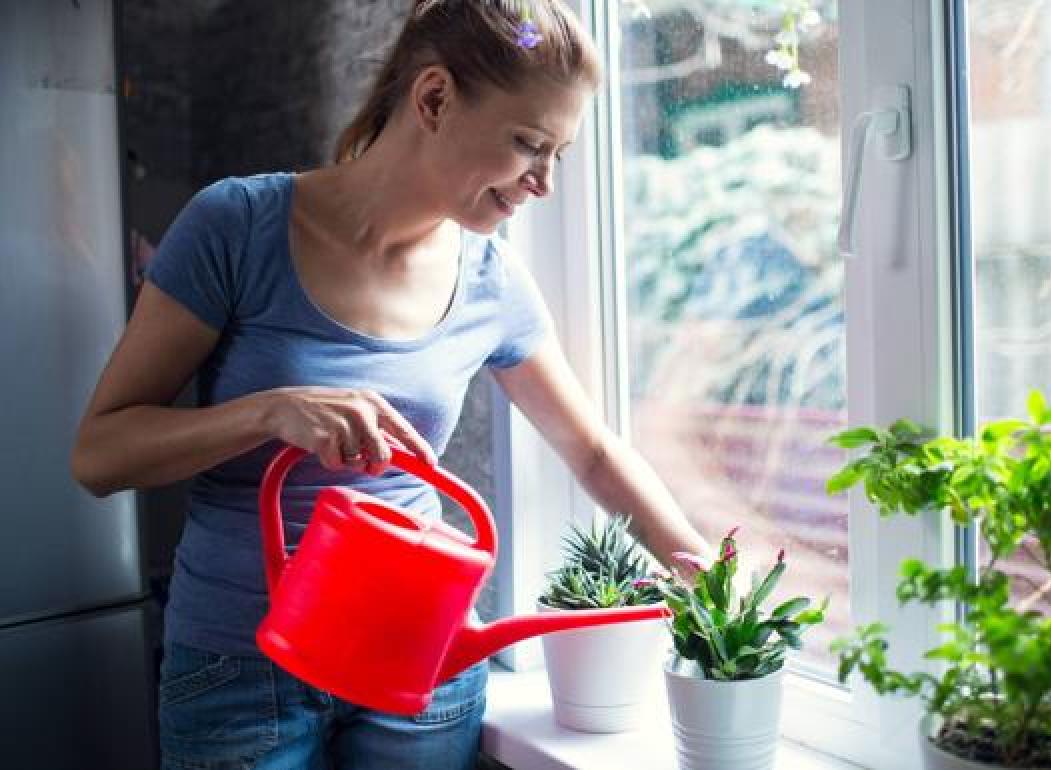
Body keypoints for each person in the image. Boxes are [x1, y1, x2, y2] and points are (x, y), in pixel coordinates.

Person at [71, 2, 711, 768]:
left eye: (558, 154)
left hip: (422, 672)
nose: (542, 181)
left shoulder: (492, 280)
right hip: (239, 672)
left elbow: (595, 454)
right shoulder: (237, 227)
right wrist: (270, 412)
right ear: (434, 99)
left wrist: (703, 570)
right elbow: (100, 456)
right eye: (528, 144)